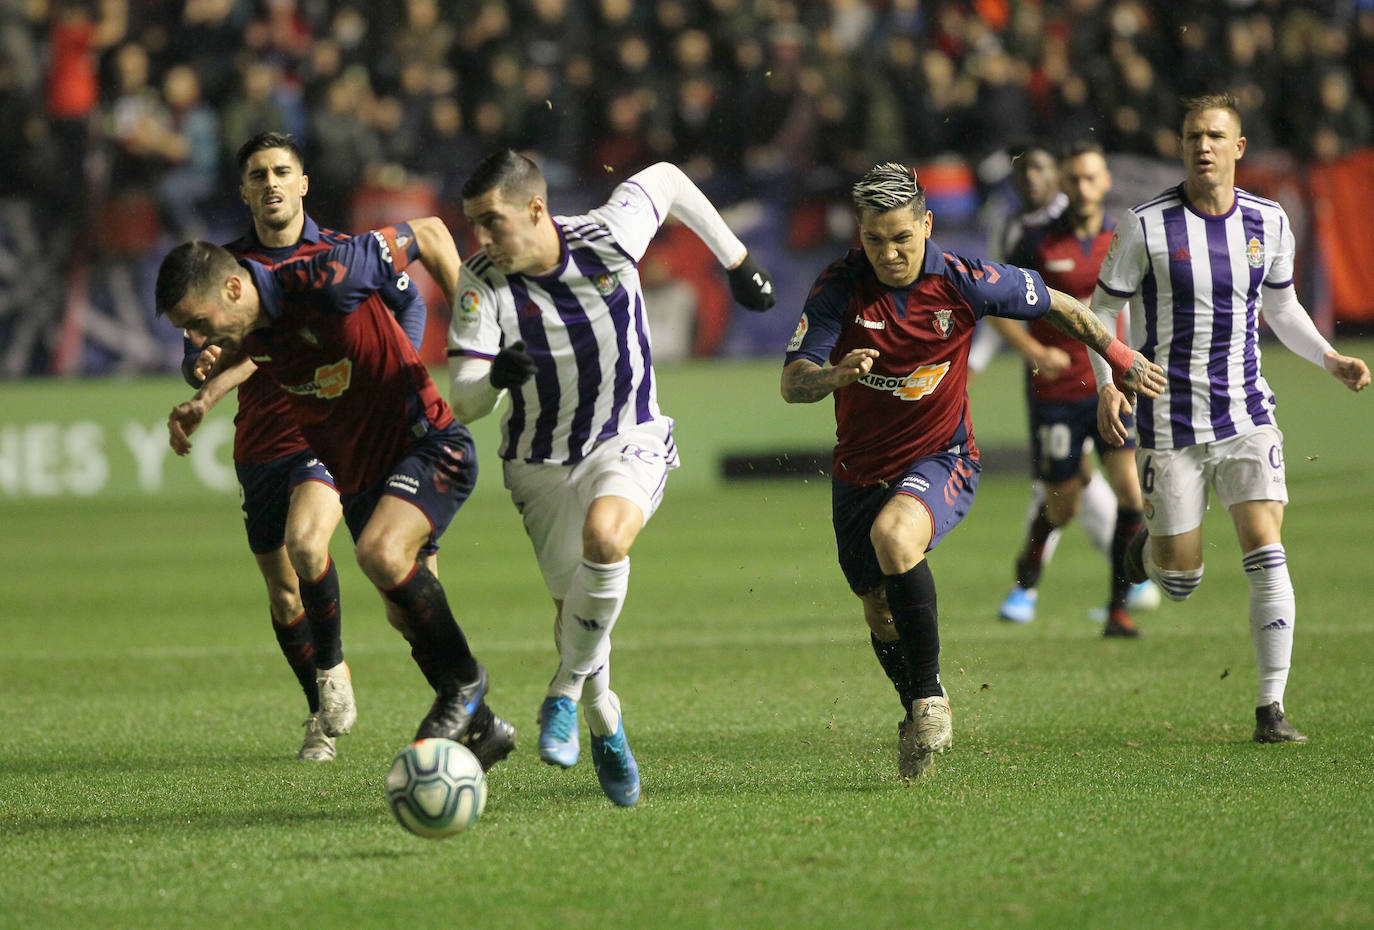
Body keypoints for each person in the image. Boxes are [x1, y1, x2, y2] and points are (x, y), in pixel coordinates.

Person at [781, 162, 1164, 779]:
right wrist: (833, 375)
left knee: (895, 537)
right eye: (875, 240)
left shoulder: (962, 279)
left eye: (902, 238)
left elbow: (1059, 303)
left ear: (927, 225)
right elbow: (793, 382)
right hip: (858, 473)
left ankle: (932, 699)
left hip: (944, 458)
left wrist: (1118, 355)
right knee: (878, 609)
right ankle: (913, 713)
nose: (889, 253)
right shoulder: (838, 287)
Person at [446, 150, 775, 806]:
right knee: (574, 614)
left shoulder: (609, 233)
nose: (481, 239)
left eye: (492, 222)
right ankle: (605, 722)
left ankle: (562, 694)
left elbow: (671, 179)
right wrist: (495, 380)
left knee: (607, 540)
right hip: (538, 465)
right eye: (474, 225)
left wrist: (736, 260)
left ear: (536, 208)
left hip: (629, 434)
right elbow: (463, 399)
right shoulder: (481, 281)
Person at [158, 216, 518, 768]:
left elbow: (431, 234)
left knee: (378, 552)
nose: (201, 337)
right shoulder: (250, 326)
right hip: (361, 477)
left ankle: (465, 686)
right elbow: (239, 356)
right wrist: (203, 399)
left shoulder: (328, 273)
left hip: (426, 443)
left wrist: (479, 345)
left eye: (200, 322)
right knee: (404, 613)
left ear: (233, 288)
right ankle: (487, 728)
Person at [1092, 93, 1370, 743]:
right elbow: (1101, 313)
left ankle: (1270, 709)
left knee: (1265, 548)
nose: (1205, 147)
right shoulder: (1144, 225)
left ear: (1238, 147)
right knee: (1182, 579)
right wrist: (1111, 381)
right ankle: (1147, 554)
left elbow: (1283, 306)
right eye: (1194, 136)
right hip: (1170, 427)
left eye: (1216, 136)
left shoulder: (1269, 222)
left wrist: (1329, 358)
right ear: (1181, 145)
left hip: (1246, 413)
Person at [167, 132, 421, 762]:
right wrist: (200, 374)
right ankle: (320, 711)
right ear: (245, 190)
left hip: (327, 428)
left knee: (311, 545)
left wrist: (402, 369)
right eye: (258, 175)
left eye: (282, 171)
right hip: (260, 442)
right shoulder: (224, 273)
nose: (271, 183)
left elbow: (408, 300)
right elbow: (201, 351)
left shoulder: (343, 253)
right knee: (284, 595)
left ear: (303, 183)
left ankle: (338, 673)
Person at [990, 141, 1150, 637]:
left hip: (1112, 390)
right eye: (1074, 178)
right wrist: (1035, 353)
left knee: (1131, 492)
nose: (1082, 187)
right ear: (1064, 183)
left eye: (1090, 178)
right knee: (1063, 505)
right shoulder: (1035, 241)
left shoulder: (1126, 238)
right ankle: (1026, 579)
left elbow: (1144, 305)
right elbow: (996, 307)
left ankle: (1118, 610)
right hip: (1055, 393)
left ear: (1105, 182)